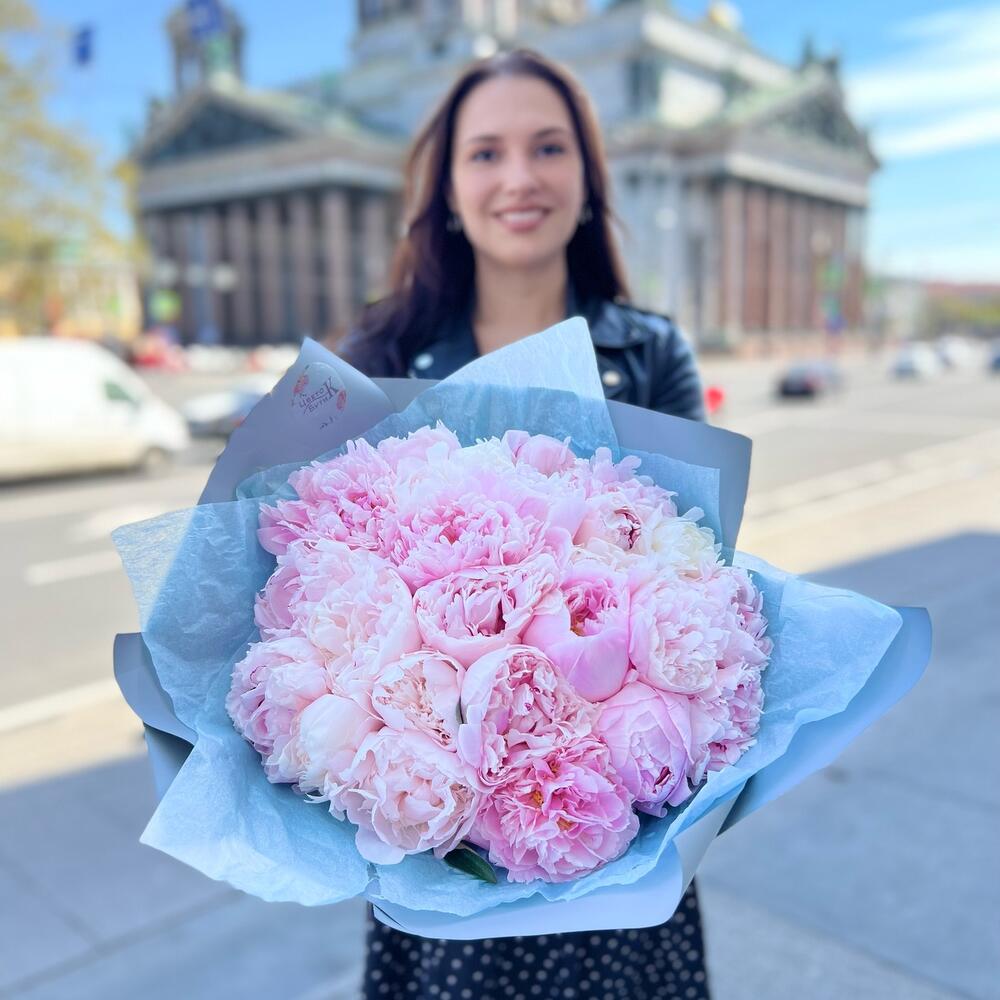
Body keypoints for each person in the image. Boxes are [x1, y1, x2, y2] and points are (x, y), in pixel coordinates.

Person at [340, 48, 710, 1000]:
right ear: (446, 189)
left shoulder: (651, 352)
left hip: (610, 835)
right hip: (443, 856)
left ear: (587, 179)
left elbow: (703, 579)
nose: (519, 177)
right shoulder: (378, 353)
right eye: (485, 153)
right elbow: (330, 577)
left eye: (548, 148)